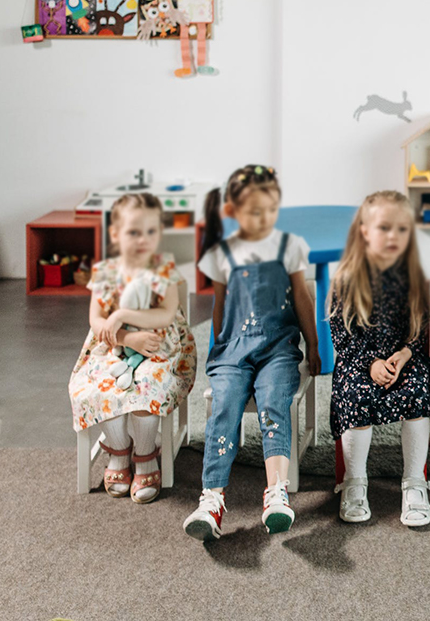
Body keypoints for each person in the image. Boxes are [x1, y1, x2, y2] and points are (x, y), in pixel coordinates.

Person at [183, 165, 320, 540]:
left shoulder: (288, 246)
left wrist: (313, 344)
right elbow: (220, 305)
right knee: (224, 405)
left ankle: (277, 493)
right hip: (232, 350)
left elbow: (304, 300)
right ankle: (212, 498)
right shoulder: (221, 253)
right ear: (234, 212)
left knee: (274, 401)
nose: (263, 219)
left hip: (277, 347)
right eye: (254, 212)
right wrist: (216, 350)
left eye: (270, 210)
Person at [68, 193, 196, 504]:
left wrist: (123, 315)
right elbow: (97, 320)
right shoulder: (106, 271)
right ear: (115, 234)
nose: (143, 240)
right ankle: (119, 452)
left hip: (161, 346)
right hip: (113, 348)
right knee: (104, 387)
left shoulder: (162, 268)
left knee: (147, 386)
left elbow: (166, 313)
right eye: (134, 232)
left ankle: (145, 454)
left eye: (151, 232)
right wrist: (126, 337)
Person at [329, 191, 430, 527]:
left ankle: (414, 483)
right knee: (355, 394)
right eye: (384, 228)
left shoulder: (411, 276)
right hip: (359, 360)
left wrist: (403, 355)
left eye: (402, 229)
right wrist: (371, 364)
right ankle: (354, 481)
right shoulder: (346, 278)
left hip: (402, 359)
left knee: (420, 388)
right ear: (365, 231)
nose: (393, 237)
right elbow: (342, 337)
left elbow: (418, 330)